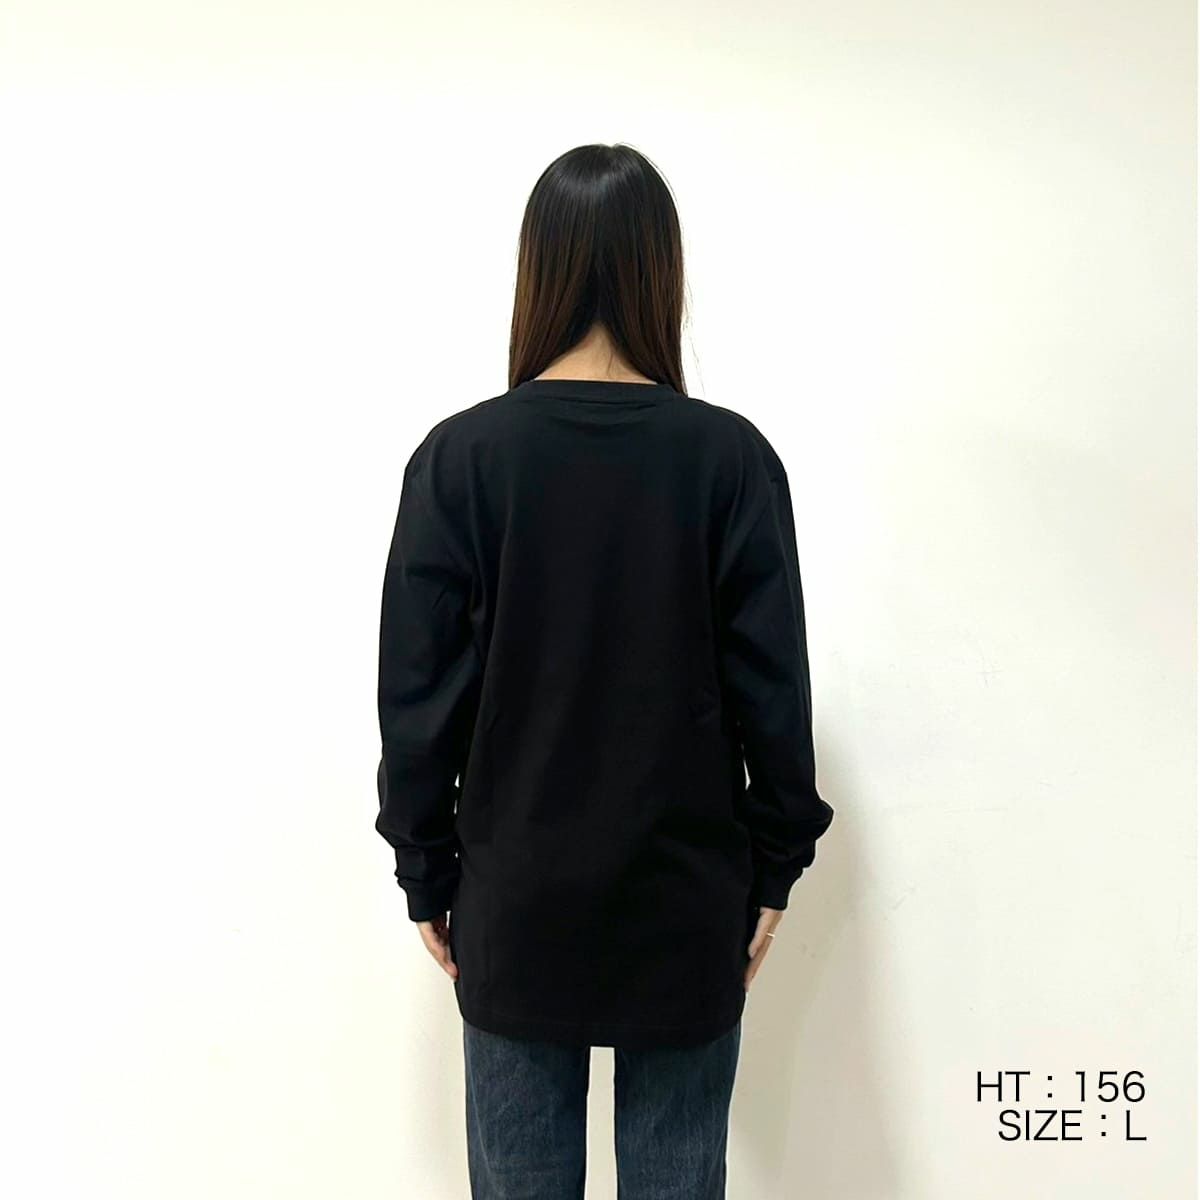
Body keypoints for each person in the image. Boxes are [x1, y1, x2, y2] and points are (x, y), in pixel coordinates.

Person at [375, 142, 834, 1199]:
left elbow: (418, 701)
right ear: (658, 270)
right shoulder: (729, 460)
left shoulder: (462, 460)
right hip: (686, 904)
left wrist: (425, 870)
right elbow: (773, 691)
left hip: (516, 903)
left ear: (537, 268)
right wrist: (774, 869)